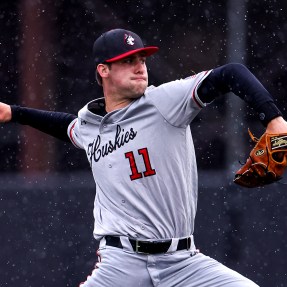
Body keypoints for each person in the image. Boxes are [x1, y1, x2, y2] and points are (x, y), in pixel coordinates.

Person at [1, 28, 287, 287]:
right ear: (103, 70)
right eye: (128, 61)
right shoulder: (89, 125)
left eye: (142, 59)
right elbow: (67, 127)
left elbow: (230, 73)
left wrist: (273, 118)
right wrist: (14, 113)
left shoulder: (165, 102)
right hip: (121, 264)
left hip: (183, 263)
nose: (140, 67)